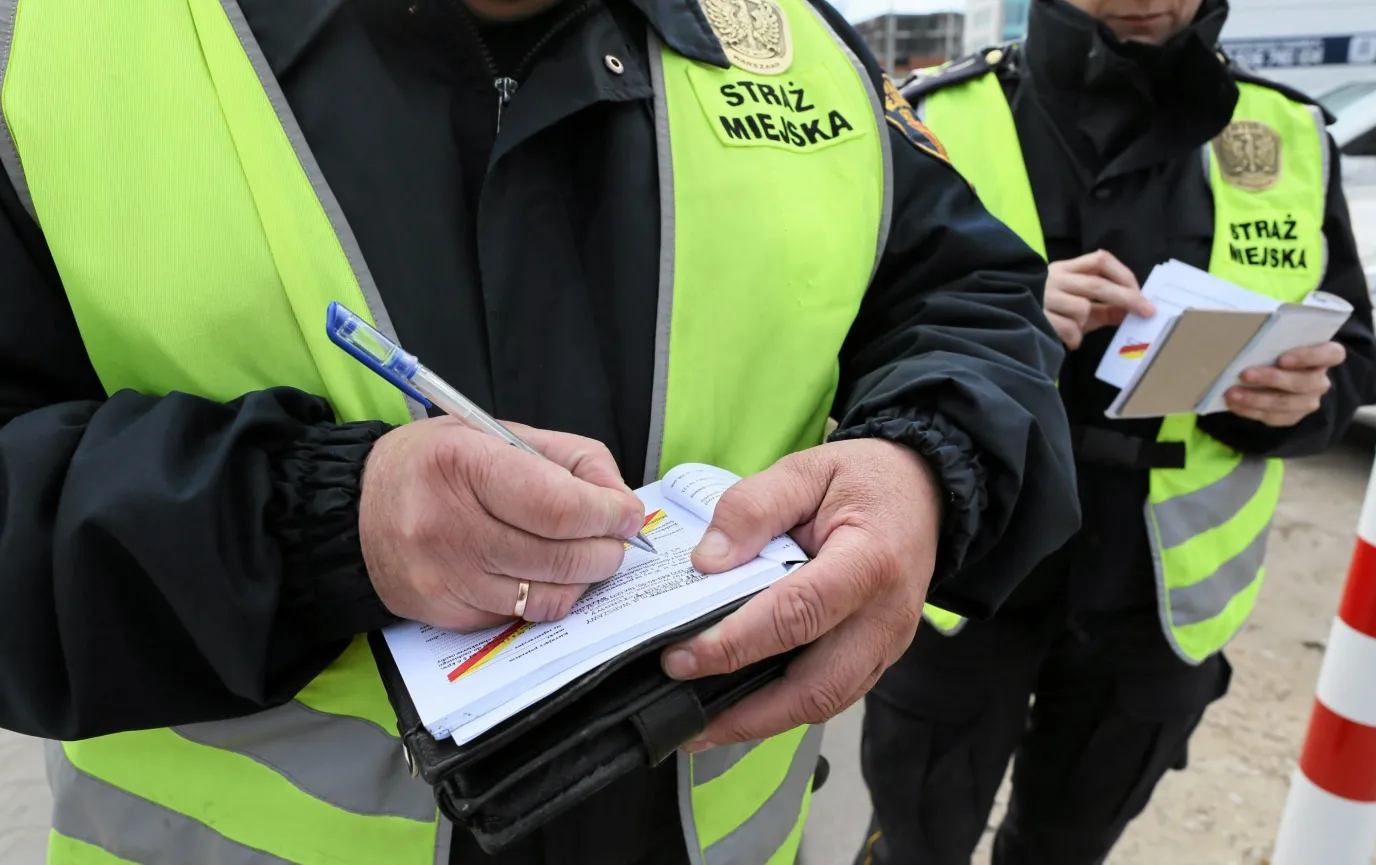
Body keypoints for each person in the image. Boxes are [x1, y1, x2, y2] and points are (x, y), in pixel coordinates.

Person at [0, 0, 1080, 863]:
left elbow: (970, 296)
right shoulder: (45, 44)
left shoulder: (796, 46)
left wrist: (924, 465)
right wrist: (319, 521)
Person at [857, 0, 1376, 863]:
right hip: (966, 569)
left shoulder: (1287, 133)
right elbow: (847, 329)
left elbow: (1350, 349)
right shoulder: (934, 116)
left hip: (1159, 598)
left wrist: (1305, 400)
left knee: (1068, 844)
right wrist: (1006, 313)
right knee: (914, 840)